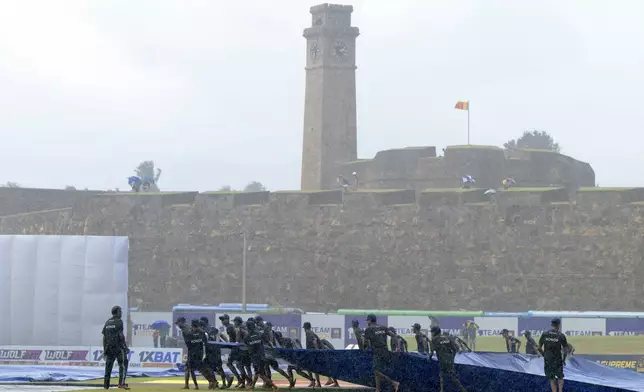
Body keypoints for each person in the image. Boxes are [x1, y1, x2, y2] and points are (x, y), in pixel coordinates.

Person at [363, 314, 400, 392]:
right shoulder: (383, 327)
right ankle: (378, 389)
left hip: (377, 352)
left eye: (367, 321)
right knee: (378, 371)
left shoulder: (368, 329)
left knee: (376, 370)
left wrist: (364, 348)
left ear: (370, 320)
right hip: (385, 351)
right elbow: (394, 336)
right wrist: (398, 348)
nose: (367, 322)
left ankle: (393, 383)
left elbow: (365, 343)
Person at [243, 319, 277, 391]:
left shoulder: (246, 337)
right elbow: (268, 342)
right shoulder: (260, 334)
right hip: (262, 357)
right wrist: (273, 348)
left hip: (255, 358)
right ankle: (252, 387)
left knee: (260, 374)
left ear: (248, 327)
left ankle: (274, 386)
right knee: (258, 373)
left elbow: (246, 346)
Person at [430, 327, 468, 392]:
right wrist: (452, 357)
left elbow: (432, 351)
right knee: (448, 375)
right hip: (450, 359)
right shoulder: (447, 338)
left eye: (432, 332)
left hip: (442, 360)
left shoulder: (434, 340)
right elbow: (455, 348)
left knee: (444, 375)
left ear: (435, 332)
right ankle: (462, 389)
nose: (431, 333)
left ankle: (443, 390)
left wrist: (430, 357)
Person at [183, 319, 218, 390]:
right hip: (198, 354)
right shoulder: (201, 333)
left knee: (196, 370)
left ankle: (200, 384)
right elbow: (205, 343)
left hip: (194, 355)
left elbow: (188, 345)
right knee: (201, 369)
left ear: (192, 326)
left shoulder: (190, 334)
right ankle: (211, 382)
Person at [102, 306, 130, 390]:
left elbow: (104, 337)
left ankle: (106, 386)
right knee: (123, 364)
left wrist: (105, 350)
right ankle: (121, 383)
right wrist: (125, 347)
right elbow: (120, 335)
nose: (121, 313)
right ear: (117, 312)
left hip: (109, 348)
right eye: (120, 311)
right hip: (118, 348)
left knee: (108, 367)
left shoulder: (107, 322)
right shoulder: (119, 322)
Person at [201, 317, 233, 389]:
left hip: (210, 351)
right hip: (217, 350)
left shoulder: (204, 331)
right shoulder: (214, 328)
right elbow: (222, 335)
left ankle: (214, 382)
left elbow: (204, 341)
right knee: (218, 367)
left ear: (203, 322)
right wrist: (227, 343)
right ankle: (222, 382)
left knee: (206, 366)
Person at [538, 318, 569, 392]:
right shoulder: (561, 335)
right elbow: (565, 350)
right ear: (558, 325)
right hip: (557, 360)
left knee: (552, 378)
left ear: (551, 324)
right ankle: (560, 391)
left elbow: (539, 347)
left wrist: (544, 355)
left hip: (548, 360)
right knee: (560, 377)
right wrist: (564, 360)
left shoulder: (545, 334)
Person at [220, 314, 247, 388]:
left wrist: (232, 344)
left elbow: (236, 338)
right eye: (221, 320)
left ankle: (240, 379)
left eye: (223, 319)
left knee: (230, 363)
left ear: (227, 319)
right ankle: (244, 381)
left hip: (236, 348)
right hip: (237, 347)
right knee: (239, 365)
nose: (222, 321)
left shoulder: (230, 327)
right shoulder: (230, 327)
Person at [176, 317, 199, 389]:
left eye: (178, 323)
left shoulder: (186, 329)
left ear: (181, 322)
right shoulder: (187, 328)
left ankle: (193, 385)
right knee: (189, 368)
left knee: (191, 368)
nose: (177, 325)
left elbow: (190, 340)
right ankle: (190, 385)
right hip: (193, 350)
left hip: (193, 350)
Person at [303, 322, 322, 388]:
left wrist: (316, 351)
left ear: (305, 328)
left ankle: (316, 383)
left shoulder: (309, 333)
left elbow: (314, 341)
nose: (304, 329)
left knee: (312, 369)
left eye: (304, 328)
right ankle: (314, 382)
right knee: (310, 368)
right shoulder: (310, 332)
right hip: (311, 352)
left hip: (312, 353)